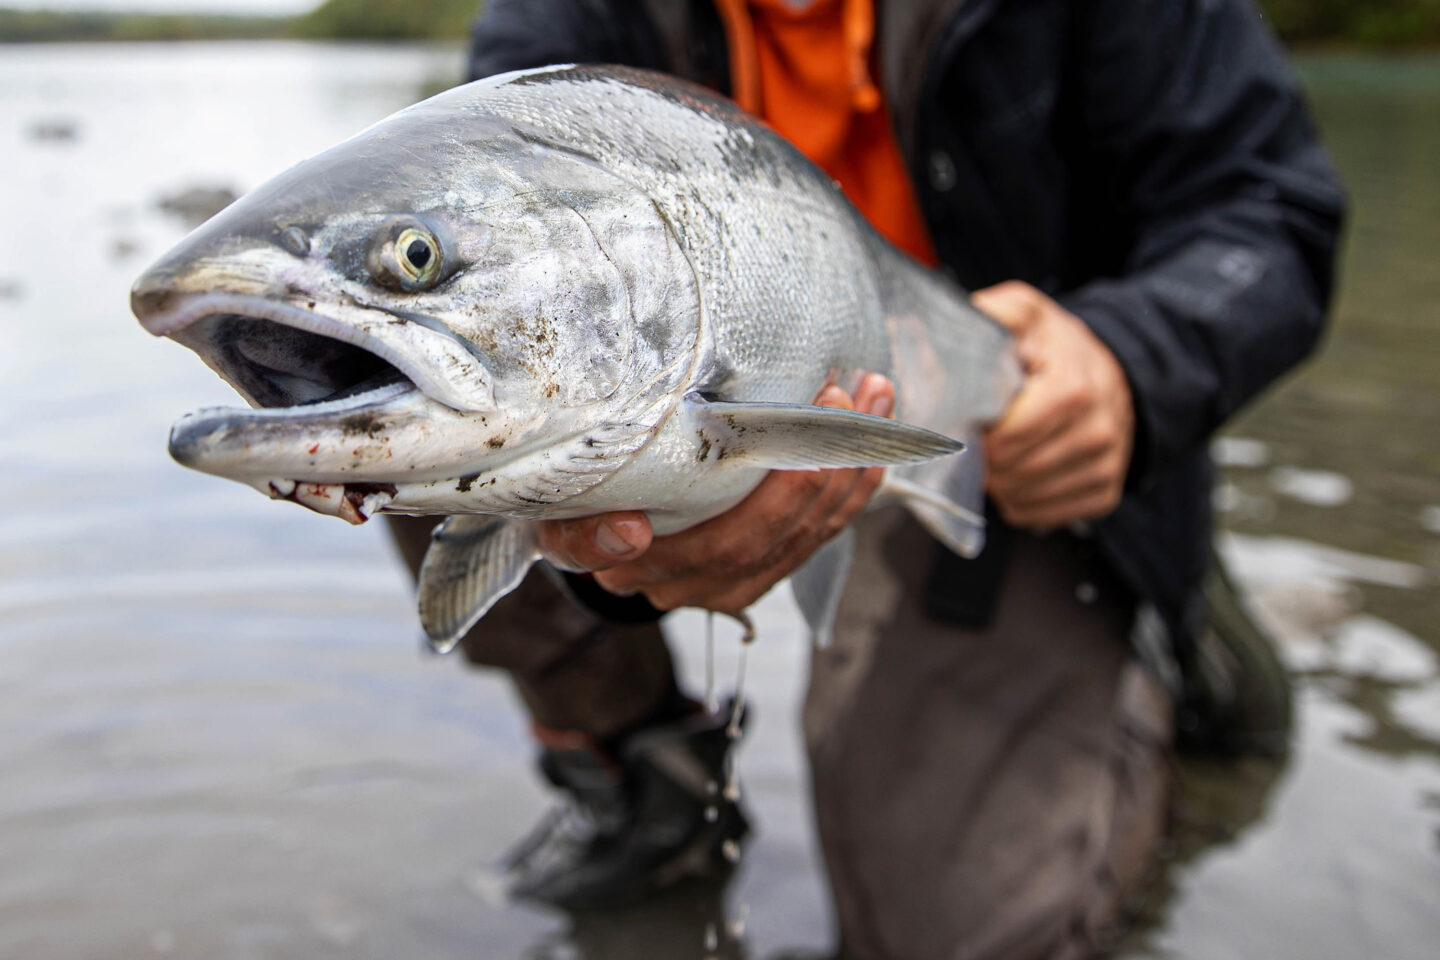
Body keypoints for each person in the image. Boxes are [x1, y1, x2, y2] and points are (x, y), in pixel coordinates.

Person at [387, 1, 1345, 957]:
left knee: (957, 936)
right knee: (410, 418)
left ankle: (1150, 631)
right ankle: (639, 770)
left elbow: (1269, 207)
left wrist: (1132, 369)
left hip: (1001, 443)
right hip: (696, 409)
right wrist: (614, 555)